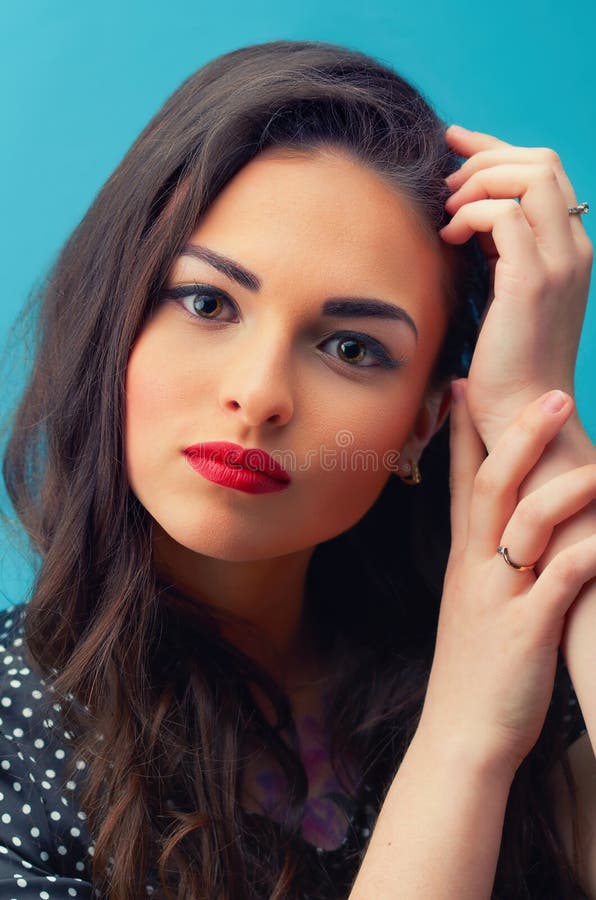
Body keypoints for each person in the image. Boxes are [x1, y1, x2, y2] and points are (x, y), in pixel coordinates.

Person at [0, 38, 594, 900]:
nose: (259, 394)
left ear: (423, 424)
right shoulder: (17, 732)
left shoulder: (505, 659)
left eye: (352, 347)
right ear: (116, 319)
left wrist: (532, 406)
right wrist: (465, 737)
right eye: (207, 303)